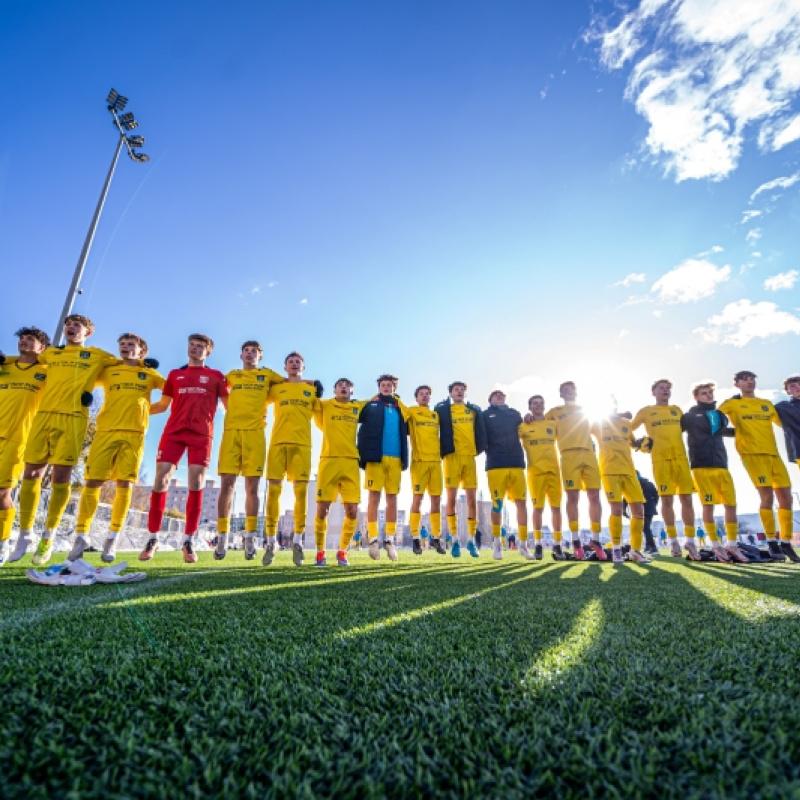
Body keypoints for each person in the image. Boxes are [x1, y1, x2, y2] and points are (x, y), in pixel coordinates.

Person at [15, 315, 128, 566]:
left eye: (78, 326)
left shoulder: (99, 356)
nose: (71, 328)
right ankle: (25, 533)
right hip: (44, 417)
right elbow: (27, 359)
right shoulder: (51, 354)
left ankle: (49, 534)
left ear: (88, 333)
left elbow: (125, 365)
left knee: (61, 477)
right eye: (69, 324)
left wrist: (143, 364)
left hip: (74, 419)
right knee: (31, 473)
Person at [69, 333, 165, 564]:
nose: (125, 347)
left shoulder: (150, 374)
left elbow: (170, 393)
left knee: (125, 483)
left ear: (142, 351)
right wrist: (85, 394)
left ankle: (113, 537)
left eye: (131, 345)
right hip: (105, 432)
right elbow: (86, 373)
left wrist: (142, 410)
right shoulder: (109, 369)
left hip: (133, 435)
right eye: (122, 344)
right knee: (92, 481)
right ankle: (81, 535)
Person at [139, 334, 229, 564]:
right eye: (193, 345)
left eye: (201, 346)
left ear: (208, 352)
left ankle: (188, 540)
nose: (196, 349)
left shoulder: (216, 376)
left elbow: (230, 406)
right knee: (161, 480)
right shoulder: (174, 375)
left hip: (201, 434)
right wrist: (136, 408)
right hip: (174, 432)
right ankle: (153, 538)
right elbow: (162, 405)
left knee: (197, 483)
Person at [719, 371, 799, 562]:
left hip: (774, 455)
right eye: (745, 380)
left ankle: (786, 543)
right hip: (752, 455)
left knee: (786, 498)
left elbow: (787, 425)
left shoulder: (767, 404)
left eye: (752, 379)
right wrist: (735, 432)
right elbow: (714, 421)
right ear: (737, 384)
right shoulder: (731, 404)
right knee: (767, 496)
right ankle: (771, 541)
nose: (750, 382)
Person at [215, 341, 283, 561]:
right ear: (241, 355)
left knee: (252, 487)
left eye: (255, 351)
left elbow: (291, 382)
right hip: (232, 432)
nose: (250, 354)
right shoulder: (232, 375)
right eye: (247, 351)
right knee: (227, 484)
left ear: (260, 357)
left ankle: (250, 537)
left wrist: (313, 382)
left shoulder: (268, 375)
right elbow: (218, 391)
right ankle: (222, 536)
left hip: (255, 435)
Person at [263, 352, 322, 566]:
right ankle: (271, 541)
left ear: (303, 368)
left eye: (298, 362)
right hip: (278, 443)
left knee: (300, 493)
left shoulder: (310, 391)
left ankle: (297, 541)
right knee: (274, 492)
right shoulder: (277, 389)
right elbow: (259, 397)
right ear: (285, 367)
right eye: (291, 362)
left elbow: (322, 418)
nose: (295, 365)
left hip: (302, 445)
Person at [630, 379, 700, 560]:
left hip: (681, 459)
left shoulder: (677, 410)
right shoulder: (646, 411)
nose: (665, 390)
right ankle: (673, 539)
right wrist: (638, 445)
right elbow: (627, 429)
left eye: (668, 388)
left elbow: (689, 430)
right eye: (661, 388)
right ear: (653, 392)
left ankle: (690, 540)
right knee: (667, 500)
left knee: (687, 499)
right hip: (660, 460)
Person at [681, 382, 747, 563]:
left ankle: (732, 544)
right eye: (704, 393)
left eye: (710, 392)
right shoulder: (689, 416)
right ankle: (715, 545)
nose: (708, 395)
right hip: (701, 465)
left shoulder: (719, 414)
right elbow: (672, 431)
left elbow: (723, 431)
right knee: (708, 505)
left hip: (721, 463)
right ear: (696, 397)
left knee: (731, 504)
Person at [1, 327, 50, 566]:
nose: (24, 341)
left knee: (2, 493)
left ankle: (3, 542)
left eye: (31, 339)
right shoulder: (4, 367)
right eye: (22, 338)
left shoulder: (46, 372)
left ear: (42, 348)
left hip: (18, 437)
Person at [545, 382, 602, 560]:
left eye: (571, 389)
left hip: (589, 454)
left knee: (594, 496)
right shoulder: (555, 412)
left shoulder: (586, 409)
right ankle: (576, 540)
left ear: (576, 392)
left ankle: (595, 539)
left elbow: (601, 426)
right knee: (573, 497)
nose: (568, 391)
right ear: (560, 394)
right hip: (568, 456)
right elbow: (541, 426)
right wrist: (529, 418)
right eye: (564, 389)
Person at [313, 378, 364, 566]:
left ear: (352, 390)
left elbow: (378, 400)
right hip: (329, 462)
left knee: (352, 511)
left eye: (347, 385)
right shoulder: (325, 405)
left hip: (351, 463)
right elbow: (307, 398)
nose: (343, 387)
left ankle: (342, 551)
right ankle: (320, 552)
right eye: (340, 385)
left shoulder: (358, 406)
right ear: (334, 390)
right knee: (322, 510)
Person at [357, 374, 408, 561]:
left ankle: (389, 540)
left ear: (394, 388)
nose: (386, 388)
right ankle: (372, 540)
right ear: (379, 387)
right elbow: (356, 418)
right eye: (383, 385)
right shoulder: (371, 406)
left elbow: (411, 423)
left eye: (390, 385)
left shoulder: (400, 408)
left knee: (392, 499)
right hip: (375, 458)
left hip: (395, 458)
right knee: (374, 497)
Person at [435, 381, 486, 558]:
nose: (459, 392)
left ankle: (471, 540)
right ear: (450, 393)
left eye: (462, 390)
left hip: (469, 457)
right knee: (451, 498)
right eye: (456, 390)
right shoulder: (444, 410)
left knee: (472, 500)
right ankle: (455, 539)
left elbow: (482, 427)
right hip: (452, 458)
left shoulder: (473, 410)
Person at [590, 414, 650, 564]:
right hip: (609, 471)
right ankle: (616, 548)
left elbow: (634, 443)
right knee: (616, 510)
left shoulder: (626, 425)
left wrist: (644, 444)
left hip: (629, 472)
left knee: (639, 512)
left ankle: (635, 551)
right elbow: (581, 426)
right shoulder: (598, 423)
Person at [484, 390, 531, 560]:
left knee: (522, 503)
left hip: (517, 463)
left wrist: (528, 418)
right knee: (497, 504)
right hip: (496, 464)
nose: (500, 397)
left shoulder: (514, 414)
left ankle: (524, 545)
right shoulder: (485, 415)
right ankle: (497, 544)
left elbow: (525, 429)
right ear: (490, 400)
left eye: (502, 395)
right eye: (496, 395)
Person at [519, 394, 564, 560]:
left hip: (554, 471)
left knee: (556, 508)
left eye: (541, 403)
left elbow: (570, 429)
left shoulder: (553, 424)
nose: (538, 406)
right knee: (538, 508)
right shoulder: (523, 426)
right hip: (535, 472)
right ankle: (538, 544)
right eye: (535, 404)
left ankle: (557, 544)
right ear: (530, 407)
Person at [406, 385, 444, 555]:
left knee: (436, 501)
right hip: (419, 462)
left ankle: (436, 537)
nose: (425, 396)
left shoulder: (436, 415)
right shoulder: (412, 411)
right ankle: (415, 539)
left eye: (428, 394)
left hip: (435, 463)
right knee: (417, 500)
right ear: (416, 397)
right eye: (421, 394)